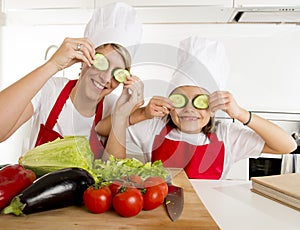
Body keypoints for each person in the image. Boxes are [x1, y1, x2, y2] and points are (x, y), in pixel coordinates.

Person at [123, 36, 297, 179]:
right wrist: (141, 113)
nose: (189, 109)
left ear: (213, 107)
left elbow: (287, 146)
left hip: (210, 213)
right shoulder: (153, 127)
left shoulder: (227, 136)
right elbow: (106, 129)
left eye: (200, 101)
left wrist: (241, 114)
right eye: (180, 100)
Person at [0, 2, 143, 160]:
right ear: (84, 58)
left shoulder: (115, 107)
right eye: (102, 63)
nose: (106, 78)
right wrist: (53, 65)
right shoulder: (50, 89)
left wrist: (121, 116)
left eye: (118, 73)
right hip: (35, 184)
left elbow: (115, 177)